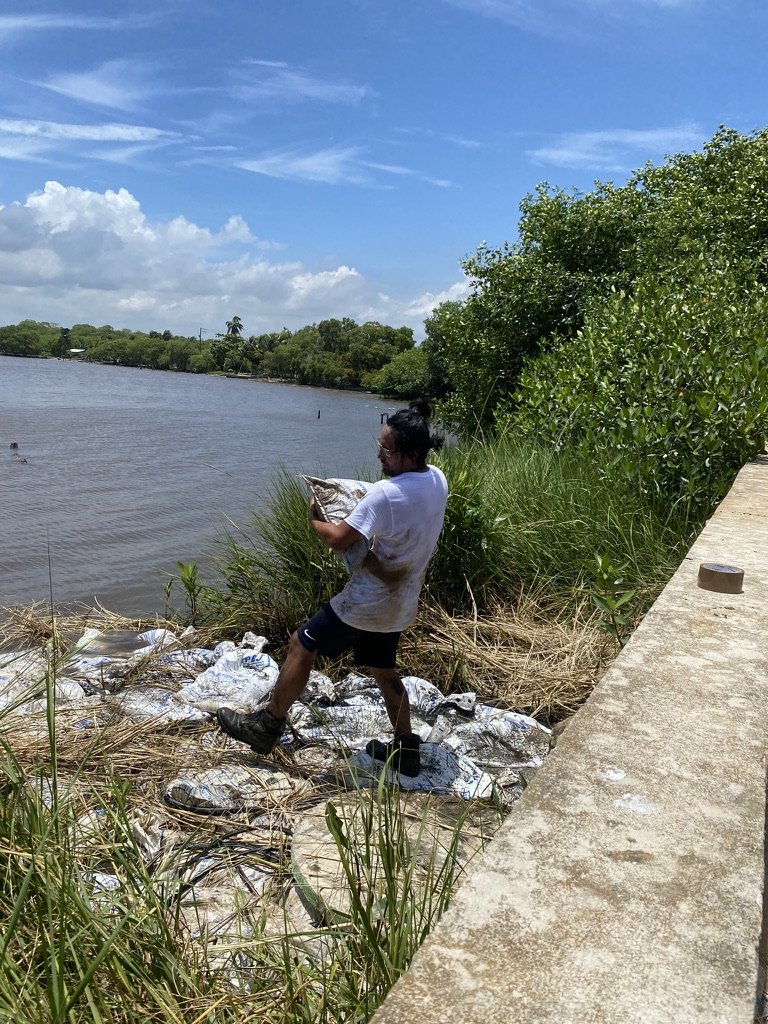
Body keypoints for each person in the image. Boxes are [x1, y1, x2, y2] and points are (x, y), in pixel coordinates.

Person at [217, 398, 448, 777]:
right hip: (402, 600)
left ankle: (267, 726)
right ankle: (406, 750)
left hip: (366, 601)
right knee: (384, 670)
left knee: (301, 644)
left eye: (386, 450)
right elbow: (401, 510)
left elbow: (340, 539)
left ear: (409, 454)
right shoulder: (437, 479)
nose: (380, 456)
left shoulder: (385, 495)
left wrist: (313, 518)